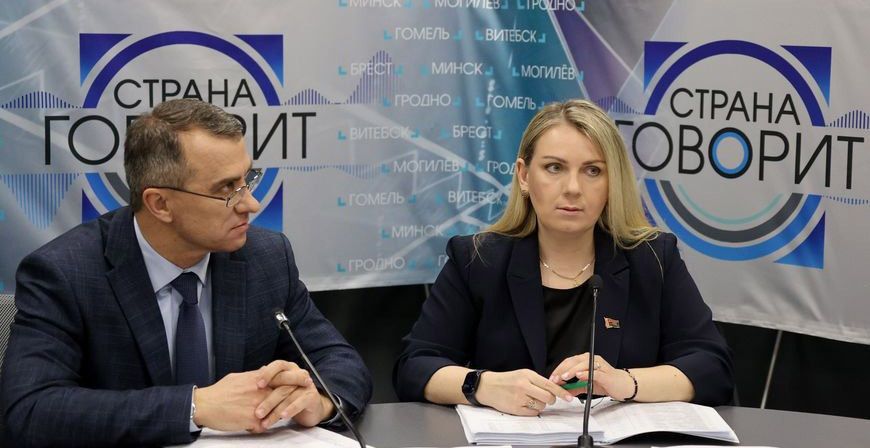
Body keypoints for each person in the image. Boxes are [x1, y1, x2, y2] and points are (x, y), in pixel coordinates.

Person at [1, 99, 372, 446]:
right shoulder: (66, 273)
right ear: (160, 203)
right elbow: (29, 409)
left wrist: (318, 401)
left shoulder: (267, 258)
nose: (252, 203)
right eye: (227, 189)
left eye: (247, 180)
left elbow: (340, 362)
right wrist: (195, 407)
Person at [393, 99, 733, 416]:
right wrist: (482, 385)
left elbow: (712, 367)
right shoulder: (478, 260)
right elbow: (414, 366)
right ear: (524, 176)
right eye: (554, 168)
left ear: (612, 182)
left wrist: (625, 382)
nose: (573, 188)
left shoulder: (653, 259)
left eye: (593, 171)